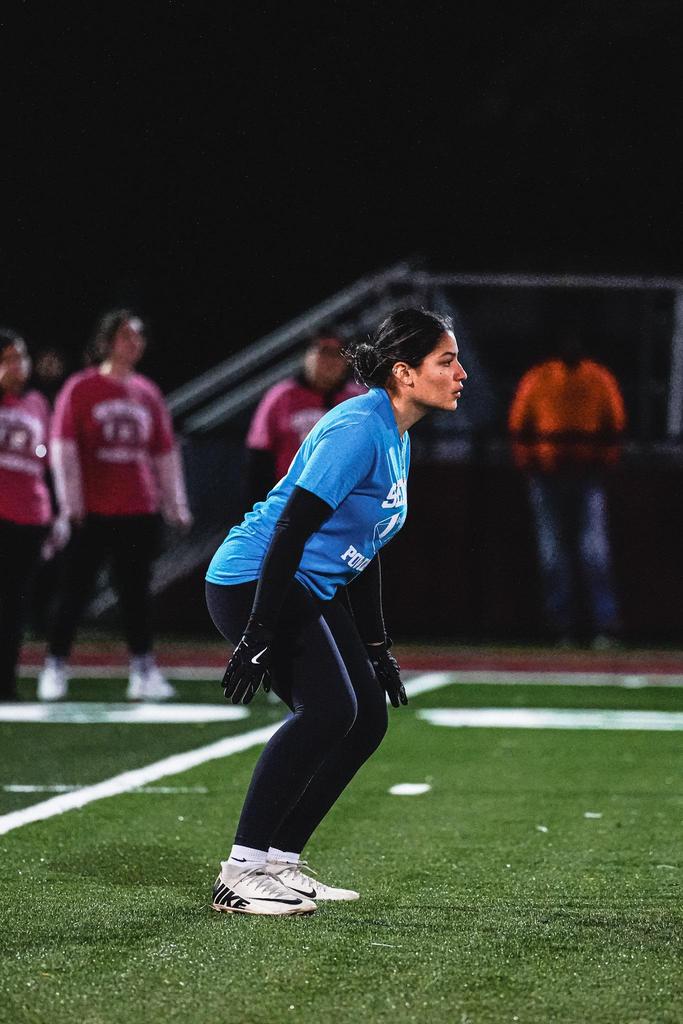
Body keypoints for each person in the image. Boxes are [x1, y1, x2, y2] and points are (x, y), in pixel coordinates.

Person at [205, 308, 467, 916]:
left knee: (366, 719)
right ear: (404, 372)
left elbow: (366, 548)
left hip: (305, 584)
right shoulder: (359, 428)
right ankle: (239, 872)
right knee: (327, 711)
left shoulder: (397, 432)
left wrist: (378, 650)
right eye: (447, 361)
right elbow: (290, 528)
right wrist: (257, 631)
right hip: (254, 578)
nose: (461, 374)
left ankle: (280, 862)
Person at [37, 310, 193, 702]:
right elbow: (63, 448)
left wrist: (175, 503)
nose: (134, 343)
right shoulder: (81, 387)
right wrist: (71, 503)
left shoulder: (147, 392)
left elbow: (164, 452)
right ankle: (55, 665)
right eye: (126, 335)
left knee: (137, 594)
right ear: (107, 341)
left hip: (138, 508)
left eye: (138, 336)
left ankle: (143, 670)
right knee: (74, 591)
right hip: (92, 510)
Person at [508, 329, 626, 647]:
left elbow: (614, 423)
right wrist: (531, 463)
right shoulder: (539, 378)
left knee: (593, 552)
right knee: (553, 554)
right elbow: (519, 424)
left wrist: (602, 461)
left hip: (586, 474)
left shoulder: (597, 378)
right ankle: (561, 627)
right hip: (547, 475)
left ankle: (605, 626)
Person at [243, 332, 363, 508]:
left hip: (344, 503)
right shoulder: (282, 396)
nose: (330, 361)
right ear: (307, 355)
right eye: (324, 351)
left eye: (338, 354)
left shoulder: (358, 399)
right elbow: (259, 455)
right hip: (290, 500)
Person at [0, 329, 53, 701]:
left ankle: (6, 683)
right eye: (9, 359)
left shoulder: (36, 403)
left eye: (21, 358)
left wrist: (54, 514)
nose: (18, 366)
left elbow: (45, 463)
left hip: (29, 519)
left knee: (14, 604)